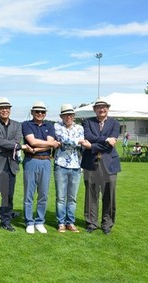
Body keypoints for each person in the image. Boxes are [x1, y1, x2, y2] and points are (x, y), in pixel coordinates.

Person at [0, 97, 28, 232]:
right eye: (1, 108)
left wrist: (7, 145)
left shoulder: (17, 125)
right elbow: (0, 141)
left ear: (10, 110)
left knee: (8, 196)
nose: (4, 110)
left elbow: (15, 140)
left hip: (11, 165)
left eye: (7, 108)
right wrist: (17, 146)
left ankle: (6, 220)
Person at [81, 97, 121, 235]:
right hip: (90, 163)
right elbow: (88, 136)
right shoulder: (87, 122)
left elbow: (112, 142)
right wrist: (105, 139)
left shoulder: (115, 123)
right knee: (91, 194)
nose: (101, 109)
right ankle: (91, 223)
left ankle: (107, 223)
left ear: (108, 109)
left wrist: (91, 146)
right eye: (99, 107)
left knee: (109, 194)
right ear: (94, 109)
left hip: (109, 164)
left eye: (104, 107)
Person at [22, 101, 60, 234]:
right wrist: (49, 144)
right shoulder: (26, 124)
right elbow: (32, 141)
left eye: (42, 112)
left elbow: (47, 143)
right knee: (29, 193)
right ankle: (29, 221)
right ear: (32, 112)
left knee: (43, 193)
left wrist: (35, 148)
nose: (39, 114)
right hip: (31, 161)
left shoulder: (49, 125)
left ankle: (39, 221)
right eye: (37, 111)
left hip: (46, 161)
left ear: (45, 113)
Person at [53, 104, 89, 233]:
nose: (69, 117)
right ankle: (61, 222)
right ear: (61, 116)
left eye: (71, 115)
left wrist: (78, 141)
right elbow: (63, 139)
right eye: (66, 114)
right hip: (61, 165)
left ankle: (70, 222)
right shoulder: (57, 126)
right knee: (61, 197)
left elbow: (79, 142)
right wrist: (78, 141)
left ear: (74, 116)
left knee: (72, 197)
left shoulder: (80, 128)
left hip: (76, 166)